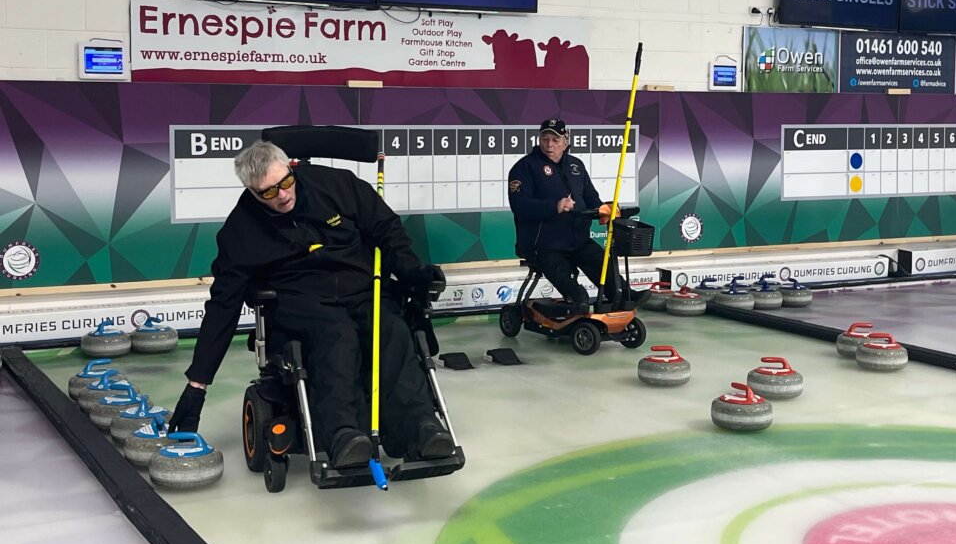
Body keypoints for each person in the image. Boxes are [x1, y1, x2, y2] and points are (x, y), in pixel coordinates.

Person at [167, 139, 455, 468]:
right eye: (268, 192)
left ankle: (421, 427)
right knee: (337, 336)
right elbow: (224, 305)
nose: (282, 195)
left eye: (285, 182)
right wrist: (198, 385)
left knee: (390, 328)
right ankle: (343, 435)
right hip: (301, 300)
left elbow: (389, 231)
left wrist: (411, 272)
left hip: (362, 287)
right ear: (252, 192)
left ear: (290, 168)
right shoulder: (241, 230)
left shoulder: (338, 185)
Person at [507, 118, 649, 313]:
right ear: (539, 140)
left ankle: (624, 294)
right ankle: (577, 301)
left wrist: (606, 209)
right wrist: (554, 206)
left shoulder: (576, 165)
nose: (549, 145)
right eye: (545, 139)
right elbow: (520, 205)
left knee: (602, 262)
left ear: (565, 141)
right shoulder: (524, 167)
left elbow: (591, 198)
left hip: (578, 241)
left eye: (555, 140)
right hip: (543, 245)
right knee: (577, 295)